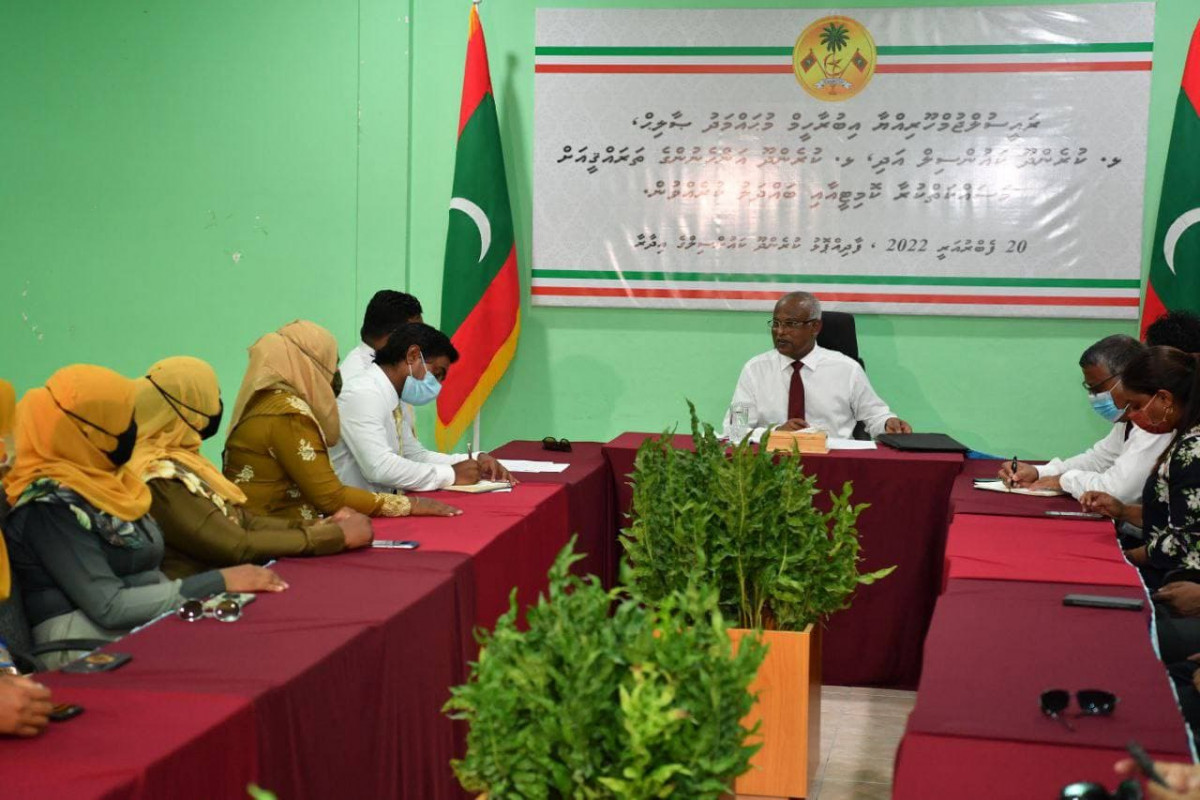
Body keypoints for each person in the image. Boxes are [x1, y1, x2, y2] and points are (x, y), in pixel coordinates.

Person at [2, 365, 286, 668]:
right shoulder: (48, 506)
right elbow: (109, 606)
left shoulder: (114, 484)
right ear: (83, 430)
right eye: (115, 419)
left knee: (265, 641)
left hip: (144, 623)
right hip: (83, 648)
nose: (130, 427)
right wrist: (217, 582)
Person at [132, 356, 375, 579]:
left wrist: (322, 525)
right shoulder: (158, 476)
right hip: (196, 599)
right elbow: (235, 545)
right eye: (210, 399)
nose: (217, 407)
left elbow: (242, 521)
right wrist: (335, 536)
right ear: (188, 410)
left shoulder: (186, 461)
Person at [223, 320, 460, 519]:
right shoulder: (289, 413)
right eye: (329, 363)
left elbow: (410, 453)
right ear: (305, 365)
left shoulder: (278, 402)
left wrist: (459, 465)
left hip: (283, 524)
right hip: (274, 532)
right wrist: (411, 505)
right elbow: (331, 495)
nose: (336, 373)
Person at [332, 323, 513, 492]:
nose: (438, 385)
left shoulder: (392, 394)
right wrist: (452, 474)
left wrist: (474, 459)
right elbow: (379, 467)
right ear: (412, 355)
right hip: (351, 516)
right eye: (437, 373)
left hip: (383, 506)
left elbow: (413, 455)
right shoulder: (363, 393)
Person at [1080, 347, 1200, 587]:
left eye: (1136, 406)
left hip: (1180, 581)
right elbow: (1176, 514)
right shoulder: (1182, 436)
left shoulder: (1191, 450)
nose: (1132, 416)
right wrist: (1123, 510)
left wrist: (1125, 557)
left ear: (1165, 399)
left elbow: (1182, 542)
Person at [1000, 335, 1171, 502]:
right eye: (1090, 389)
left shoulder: (1156, 422)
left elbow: (1119, 491)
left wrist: (1064, 480)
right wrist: (1040, 473)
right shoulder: (1128, 417)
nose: (1094, 397)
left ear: (1127, 377)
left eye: (1098, 388)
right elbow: (1100, 460)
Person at [728, 291, 911, 438]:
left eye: (790, 324)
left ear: (815, 327)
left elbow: (875, 415)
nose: (780, 332)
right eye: (776, 324)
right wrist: (776, 433)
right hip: (772, 466)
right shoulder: (754, 370)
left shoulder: (847, 369)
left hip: (834, 463)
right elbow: (735, 429)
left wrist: (888, 423)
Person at [341, 289, 424, 383]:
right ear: (394, 336)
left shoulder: (380, 370)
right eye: (416, 335)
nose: (420, 344)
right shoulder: (361, 382)